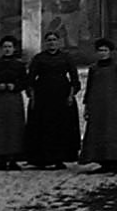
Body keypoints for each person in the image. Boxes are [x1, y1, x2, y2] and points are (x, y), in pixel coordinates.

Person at [23, 32, 80, 169]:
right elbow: (30, 79)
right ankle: (42, 159)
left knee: (61, 128)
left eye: (54, 40)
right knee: (43, 127)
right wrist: (32, 97)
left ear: (59, 42)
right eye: (49, 40)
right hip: (44, 97)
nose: (52, 43)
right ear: (45, 43)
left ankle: (60, 158)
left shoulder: (66, 58)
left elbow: (74, 79)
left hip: (62, 96)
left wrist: (71, 95)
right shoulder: (39, 58)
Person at [79, 38, 117, 172]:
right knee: (97, 130)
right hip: (96, 105)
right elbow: (89, 87)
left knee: (112, 130)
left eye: (105, 50)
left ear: (110, 52)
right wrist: (87, 105)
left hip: (111, 105)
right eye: (100, 51)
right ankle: (100, 160)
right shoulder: (93, 68)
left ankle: (114, 160)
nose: (102, 53)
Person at [0, 34, 29, 171]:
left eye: (10, 47)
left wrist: (16, 86)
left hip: (14, 100)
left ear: (14, 49)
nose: (7, 49)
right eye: (5, 47)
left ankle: (14, 159)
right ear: (1, 49)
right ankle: (0, 159)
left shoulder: (19, 66)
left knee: (15, 128)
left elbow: (25, 81)